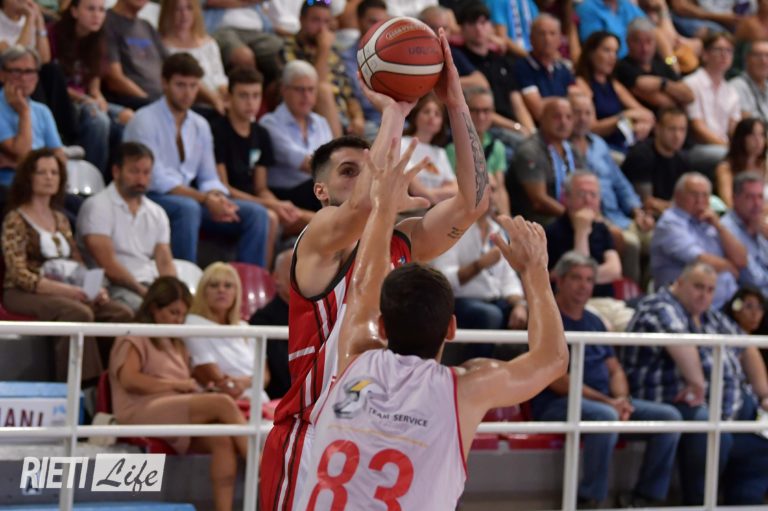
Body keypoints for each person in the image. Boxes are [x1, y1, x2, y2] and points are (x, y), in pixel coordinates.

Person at [260, 28, 492, 510]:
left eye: (369, 166)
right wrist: (396, 111)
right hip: (311, 434)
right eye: (351, 170)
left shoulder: (400, 242)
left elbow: (473, 203)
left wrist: (456, 103)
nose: (370, 174)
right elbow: (365, 205)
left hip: (381, 436)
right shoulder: (318, 238)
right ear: (321, 191)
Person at [294, 131, 568, 511]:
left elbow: (364, 285)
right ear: (451, 329)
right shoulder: (467, 388)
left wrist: (383, 207)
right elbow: (552, 358)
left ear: (381, 327)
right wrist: (535, 272)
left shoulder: (355, 355)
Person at [532, 251, 681, 509]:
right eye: (576, 278)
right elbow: (556, 379)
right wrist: (608, 402)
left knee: (670, 418)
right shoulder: (547, 318)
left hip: (604, 401)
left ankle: (644, 498)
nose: (583, 285)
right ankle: (589, 500)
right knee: (605, 416)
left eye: (589, 279)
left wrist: (621, 399)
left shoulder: (594, 321)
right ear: (560, 281)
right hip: (557, 402)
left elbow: (615, 370)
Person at [623, 261, 768, 506]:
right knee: (713, 433)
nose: (704, 295)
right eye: (698, 287)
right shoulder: (660, 306)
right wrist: (698, 385)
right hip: (671, 400)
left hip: (729, 408)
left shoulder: (708, 315)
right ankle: (698, 504)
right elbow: (681, 343)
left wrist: (764, 395)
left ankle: (743, 504)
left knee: (761, 444)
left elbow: (745, 347)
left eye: (710, 290)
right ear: (679, 283)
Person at [109, 276, 249, 511]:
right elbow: (130, 380)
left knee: (222, 440)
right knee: (223, 404)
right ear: (154, 308)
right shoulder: (133, 335)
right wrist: (176, 385)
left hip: (171, 408)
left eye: (182, 315)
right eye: (173, 313)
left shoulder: (176, 342)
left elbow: (186, 383)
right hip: (138, 408)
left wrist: (200, 389)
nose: (178, 320)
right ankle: (263, 466)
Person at [124, 53, 270, 266]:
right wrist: (204, 199)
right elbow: (155, 179)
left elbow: (209, 176)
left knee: (256, 214)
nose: (187, 93)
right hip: (149, 196)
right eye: (180, 85)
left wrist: (217, 198)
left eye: (193, 86)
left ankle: (246, 282)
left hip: (191, 198)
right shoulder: (144, 120)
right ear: (165, 83)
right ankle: (185, 279)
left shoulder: (200, 125)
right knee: (187, 209)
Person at [1, 149, 133, 382]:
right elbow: (19, 273)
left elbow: (76, 261)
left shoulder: (60, 219)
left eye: (54, 173)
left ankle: (115, 380)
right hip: (24, 291)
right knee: (77, 313)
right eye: (42, 172)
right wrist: (66, 291)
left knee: (120, 313)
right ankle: (82, 386)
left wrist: (93, 289)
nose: (49, 178)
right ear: (29, 177)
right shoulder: (15, 219)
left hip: (66, 287)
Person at [212, 67, 311, 241]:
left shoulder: (261, 133)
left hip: (255, 200)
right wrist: (269, 204)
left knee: (299, 215)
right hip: (228, 201)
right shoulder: (218, 131)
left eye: (256, 95)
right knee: (270, 217)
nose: (250, 103)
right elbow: (223, 187)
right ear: (229, 98)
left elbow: (261, 188)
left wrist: (278, 205)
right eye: (243, 96)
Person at [76, 142, 175, 312]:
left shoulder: (157, 213)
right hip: (111, 286)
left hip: (148, 285)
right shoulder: (97, 206)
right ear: (116, 171)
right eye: (134, 172)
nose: (141, 179)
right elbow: (108, 264)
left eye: (146, 172)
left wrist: (173, 293)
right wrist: (144, 293)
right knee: (144, 311)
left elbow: (165, 261)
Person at [569, 92, 653, 286]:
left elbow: (619, 182)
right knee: (631, 244)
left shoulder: (599, 144)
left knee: (657, 238)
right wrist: (600, 220)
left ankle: (649, 288)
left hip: (620, 216)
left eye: (587, 113)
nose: (582, 118)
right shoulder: (563, 149)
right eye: (577, 113)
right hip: (592, 218)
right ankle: (629, 292)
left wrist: (637, 212)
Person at [430, 198, 527, 363]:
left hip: (495, 300)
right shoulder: (452, 229)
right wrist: (479, 265)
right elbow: (443, 280)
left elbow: (509, 280)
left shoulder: (497, 231)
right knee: (490, 315)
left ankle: (514, 374)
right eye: (487, 190)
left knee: (528, 314)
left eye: (493, 191)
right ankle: (473, 369)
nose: (491, 197)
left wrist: (520, 305)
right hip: (458, 301)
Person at [49, 0, 132, 175]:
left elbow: (94, 87)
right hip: (65, 101)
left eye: (101, 10)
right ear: (74, 11)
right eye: (91, 9)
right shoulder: (54, 33)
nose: (97, 15)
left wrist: (99, 100)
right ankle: (92, 178)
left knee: (128, 118)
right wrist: (88, 100)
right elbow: (53, 82)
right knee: (99, 121)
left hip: (86, 98)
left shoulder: (99, 40)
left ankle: (118, 178)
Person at [651, 172, 747, 309]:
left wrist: (718, 226)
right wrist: (730, 267)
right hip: (684, 307)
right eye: (694, 194)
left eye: (705, 195)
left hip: (727, 305)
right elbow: (699, 260)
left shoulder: (709, 221)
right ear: (678, 195)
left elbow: (741, 260)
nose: (700, 200)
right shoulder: (670, 223)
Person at [544, 171, 626, 329]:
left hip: (607, 301)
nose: (588, 200)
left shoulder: (602, 229)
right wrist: (581, 231)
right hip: (573, 305)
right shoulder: (552, 232)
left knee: (635, 326)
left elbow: (615, 270)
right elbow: (575, 271)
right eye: (582, 194)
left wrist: (581, 278)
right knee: (603, 326)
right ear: (567, 198)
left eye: (593, 195)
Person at [184, 262, 267, 400]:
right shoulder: (192, 323)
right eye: (214, 285)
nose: (221, 290)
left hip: (259, 399)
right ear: (203, 291)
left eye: (228, 286)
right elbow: (209, 374)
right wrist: (246, 383)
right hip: (224, 400)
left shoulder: (245, 327)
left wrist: (244, 383)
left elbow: (265, 375)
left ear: (236, 293)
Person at [259, 60, 333, 213]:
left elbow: (332, 159)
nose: (306, 95)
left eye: (311, 90)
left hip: (316, 190)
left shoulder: (321, 122)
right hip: (287, 194)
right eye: (300, 89)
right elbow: (307, 164)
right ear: (284, 90)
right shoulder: (269, 123)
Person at [281, 0, 363, 138]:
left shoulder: (334, 52)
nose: (322, 29)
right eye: (316, 21)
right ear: (301, 20)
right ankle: (338, 148)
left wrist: (357, 117)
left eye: (326, 22)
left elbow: (349, 94)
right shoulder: (289, 49)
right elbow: (314, 89)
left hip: (344, 120)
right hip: (313, 119)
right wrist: (323, 49)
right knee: (323, 90)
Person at [450, 2, 534, 135]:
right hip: (483, 128)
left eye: (483, 23)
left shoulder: (501, 60)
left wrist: (531, 132)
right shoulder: (457, 59)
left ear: (491, 27)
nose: (478, 28)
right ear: (462, 29)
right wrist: (517, 128)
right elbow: (477, 108)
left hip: (513, 128)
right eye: (472, 23)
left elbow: (518, 104)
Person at [575, 31, 654, 153]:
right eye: (607, 51)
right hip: (599, 148)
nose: (612, 57)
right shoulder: (581, 84)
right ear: (591, 53)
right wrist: (622, 118)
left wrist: (643, 124)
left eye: (615, 52)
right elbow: (591, 127)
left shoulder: (614, 85)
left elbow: (647, 114)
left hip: (623, 145)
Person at [0, 45, 66, 185]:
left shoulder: (42, 110)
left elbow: (59, 157)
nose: (23, 78)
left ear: (36, 77)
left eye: (29, 71)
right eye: (16, 71)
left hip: (42, 182)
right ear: (2, 75)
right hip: (9, 184)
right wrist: (24, 112)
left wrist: (17, 163)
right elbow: (22, 152)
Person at [507, 97, 573, 225]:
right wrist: (572, 217)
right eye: (557, 117)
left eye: (568, 117)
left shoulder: (572, 150)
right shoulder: (530, 150)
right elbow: (539, 201)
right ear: (542, 118)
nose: (563, 122)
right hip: (537, 222)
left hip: (567, 218)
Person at [446, 86, 511, 216]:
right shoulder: (453, 147)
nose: (481, 117)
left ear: (493, 112)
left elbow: (500, 188)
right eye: (475, 111)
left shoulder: (497, 146)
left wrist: (505, 219)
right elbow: (454, 188)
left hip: (490, 212)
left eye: (486, 111)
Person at [684, 32, 741, 176]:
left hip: (724, 146)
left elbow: (734, 128)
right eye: (718, 49)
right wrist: (729, 147)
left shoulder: (731, 91)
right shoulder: (691, 83)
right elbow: (697, 128)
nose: (724, 55)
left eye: (729, 50)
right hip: (698, 147)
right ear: (705, 54)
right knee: (732, 157)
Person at [158, 0, 227, 115]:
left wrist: (226, 97)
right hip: (191, 107)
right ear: (168, 12)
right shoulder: (161, 45)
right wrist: (214, 100)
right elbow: (183, 81)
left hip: (217, 103)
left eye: (189, 8)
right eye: (177, 9)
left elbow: (220, 78)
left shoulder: (209, 43)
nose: (184, 14)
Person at [621, 107, 689, 217]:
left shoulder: (682, 159)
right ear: (657, 129)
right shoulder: (641, 155)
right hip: (638, 216)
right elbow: (647, 203)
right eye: (672, 129)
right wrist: (682, 207)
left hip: (668, 214)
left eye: (682, 130)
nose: (677, 136)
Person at [615, 17, 694, 111]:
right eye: (638, 42)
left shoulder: (660, 63)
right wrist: (670, 88)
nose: (645, 48)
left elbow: (689, 96)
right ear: (628, 42)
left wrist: (663, 84)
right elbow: (663, 103)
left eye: (649, 41)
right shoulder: (623, 67)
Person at [103, 0, 168, 109]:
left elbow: (175, 67)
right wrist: (152, 104)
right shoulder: (105, 21)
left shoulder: (147, 26)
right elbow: (114, 78)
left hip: (163, 102)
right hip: (133, 104)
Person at [339, 0, 388, 140]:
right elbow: (353, 97)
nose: (378, 28)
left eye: (382, 23)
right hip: (367, 124)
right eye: (372, 22)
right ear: (359, 21)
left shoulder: (397, 56)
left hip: (399, 120)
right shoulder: (345, 58)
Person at [249, 248, 292, 399]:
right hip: (282, 400)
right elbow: (283, 376)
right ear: (276, 278)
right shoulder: (262, 320)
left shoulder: (321, 313)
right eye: (295, 269)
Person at [515, 13, 576, 120]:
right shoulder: (522, 67)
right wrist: (565, 100)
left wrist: (548, 101)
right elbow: (538, 110)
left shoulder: (563, 68)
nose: (547, 39)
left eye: (552, 33)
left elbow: (577, 101)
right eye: (541, 34)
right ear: (531, 38)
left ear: (560, 39)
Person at [401, 93, 458, 206]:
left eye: (437, 114)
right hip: (410, 208)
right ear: (416, 117)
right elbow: (415, 189)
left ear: (441, 123)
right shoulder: (403, 143)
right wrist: (438, 196)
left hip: (435, 208)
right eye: (426, 112)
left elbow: (455, 189)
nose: (432, 116)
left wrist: (429, 193)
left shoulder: (440, 152)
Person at [721, 172, 768, 294]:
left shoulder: (760, 225)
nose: (757, 203)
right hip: (752, 297)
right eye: (750, 197)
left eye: (760, 197)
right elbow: (752, 279)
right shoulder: (726, 228)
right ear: (735, 199)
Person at [715, 117, 768, 207]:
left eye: (762, 135)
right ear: (741, 138)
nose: (758, 140)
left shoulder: (765, 165)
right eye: (752, 135)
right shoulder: (726, 168)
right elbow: (728, 202)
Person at [575, 0, 647, 58]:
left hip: (636, 61)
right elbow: (595, 47)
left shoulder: (625, 4)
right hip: (613, 65)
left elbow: (649, 28)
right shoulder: (588, 8)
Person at [729, 40, 768, 122]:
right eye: (758, 55)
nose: (764, 61)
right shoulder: (735, 87)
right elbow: (747, 123)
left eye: (767, 55)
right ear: (746, 59)